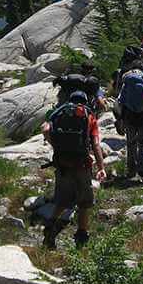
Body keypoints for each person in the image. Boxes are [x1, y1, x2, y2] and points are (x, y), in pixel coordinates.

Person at [40, 90, 107, 249]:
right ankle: (81, 238)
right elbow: (96, 144)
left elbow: (45, 128)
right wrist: (101, 167)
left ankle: (49, 227)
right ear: (85, 102)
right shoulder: (88, 116)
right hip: (82, 166)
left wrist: (56, 146)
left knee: (63, 200)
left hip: (63, 164)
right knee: (84, 203)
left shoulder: (60, 114)